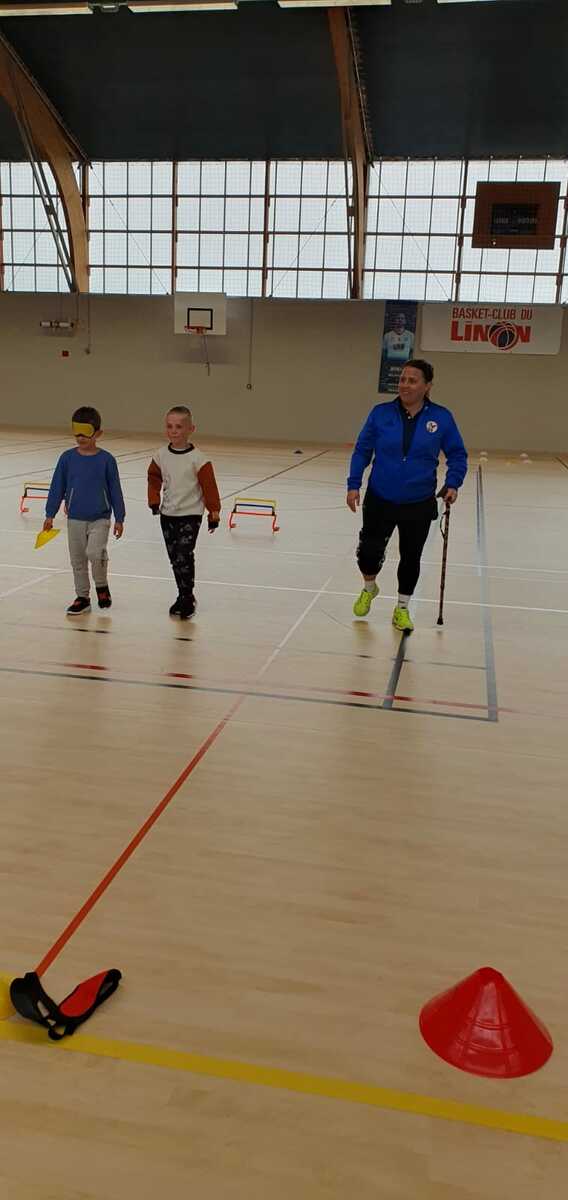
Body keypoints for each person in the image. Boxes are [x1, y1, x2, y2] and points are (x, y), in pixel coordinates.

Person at [347, 359, 467, 633]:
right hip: (380, 496)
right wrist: (354, 484)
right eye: (402, 379)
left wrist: (453, 483)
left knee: (411, 557)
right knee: (368, 553)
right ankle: (369, 587)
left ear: (427, 386)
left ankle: (402, 607)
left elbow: (457, 455)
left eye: (412, 380)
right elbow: (362, 450)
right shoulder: (380, 413)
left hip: (418, 501)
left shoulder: (441, 418)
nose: (405, 385)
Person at [43, 406, 125, 616]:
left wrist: (120, 517)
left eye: (85, 433)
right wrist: (50, 514)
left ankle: (101, 586)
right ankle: (82, 597)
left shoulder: (107, 460)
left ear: (98, 433)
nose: (80, 437)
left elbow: (115, 489)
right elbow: (57, 486)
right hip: (75, 519)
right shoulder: (67, 458)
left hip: (100, 518)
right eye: (76, 432)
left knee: (95, 553)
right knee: (78, 560)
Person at [148, 406, 221, 620]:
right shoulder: (160, 456)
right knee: (175, 558)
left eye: (179, 427)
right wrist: (154, 500)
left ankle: (188, 597)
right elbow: (153, 478)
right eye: (169, 426)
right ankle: (182, 594)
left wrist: (214, 512)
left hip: (191, 514)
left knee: (184, 555)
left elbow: (209, 487)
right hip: (168, 515)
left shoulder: (199, 459)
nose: (174, 431)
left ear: (191, 429)